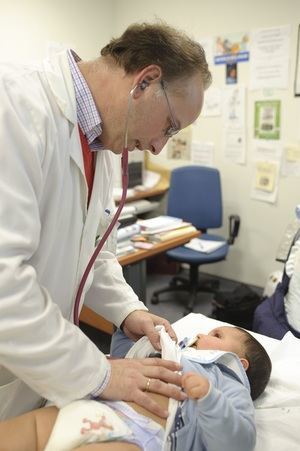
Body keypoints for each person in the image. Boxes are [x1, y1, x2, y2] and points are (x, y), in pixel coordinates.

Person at [0, 21, 212, 420]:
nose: (158, 147)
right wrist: (99, 373)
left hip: (38, 368)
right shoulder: (14, 104)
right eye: (169, 127)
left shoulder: (101, 144)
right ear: (146, 80)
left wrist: (129, 311)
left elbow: (93, 252)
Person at [0, 325, 272, 451]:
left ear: (241, 362)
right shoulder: (173, 350)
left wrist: (210, 398)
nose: (201, 334)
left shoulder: (225, 376)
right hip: (84, 408)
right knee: (19, 433)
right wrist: (128, 327)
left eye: (216, 335)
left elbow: (238, 443)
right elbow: (124, 355)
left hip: (134, 435)